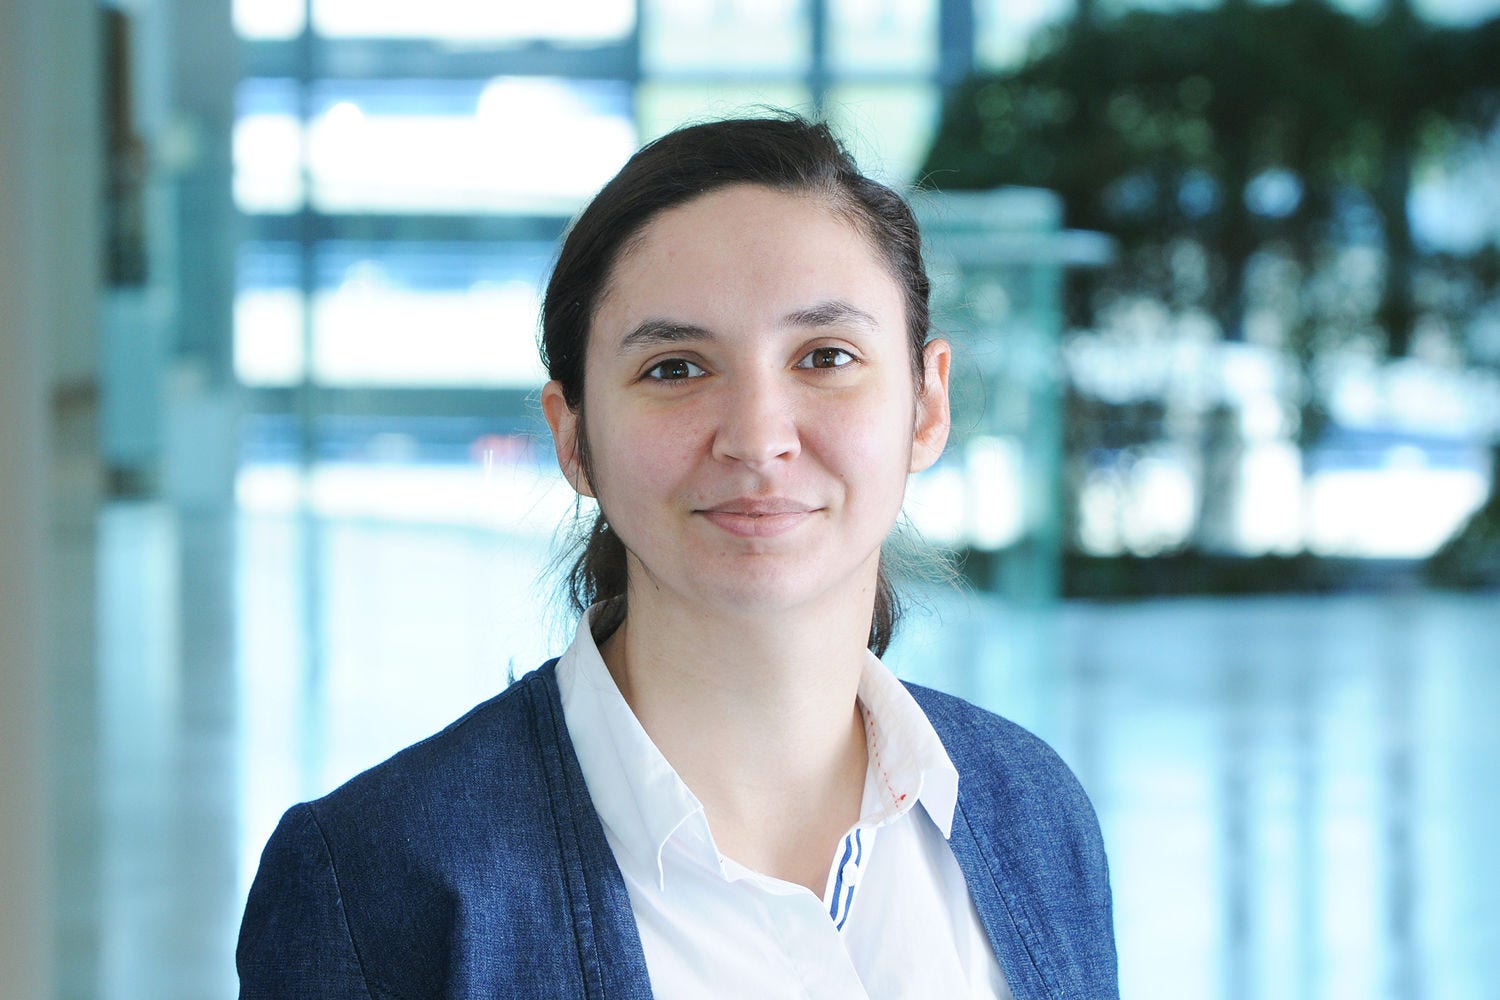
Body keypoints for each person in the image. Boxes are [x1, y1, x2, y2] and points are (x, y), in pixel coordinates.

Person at [237, 113, 1118, 999]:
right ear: (574, 437)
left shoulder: (1032, 814)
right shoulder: (374, 886)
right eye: (674, 368)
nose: (758, 439)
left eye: (826, 356)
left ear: (927, 405)